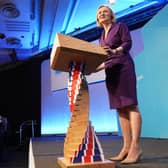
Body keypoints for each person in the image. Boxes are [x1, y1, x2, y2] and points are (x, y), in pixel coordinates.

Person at [95, 5, 142, 164]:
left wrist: (116, 51)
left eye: (105, 11)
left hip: (123, 68)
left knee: (130, 106)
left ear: (111, 15)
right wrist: (94, 69)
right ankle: (126, 147)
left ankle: (135, 147)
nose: (102, 14)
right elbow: (105, 59)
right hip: (111, 72)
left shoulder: (120, 26)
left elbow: (127, 43)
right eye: (99, 13)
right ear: (97, 19)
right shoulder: (101, 37)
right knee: (120, 109)